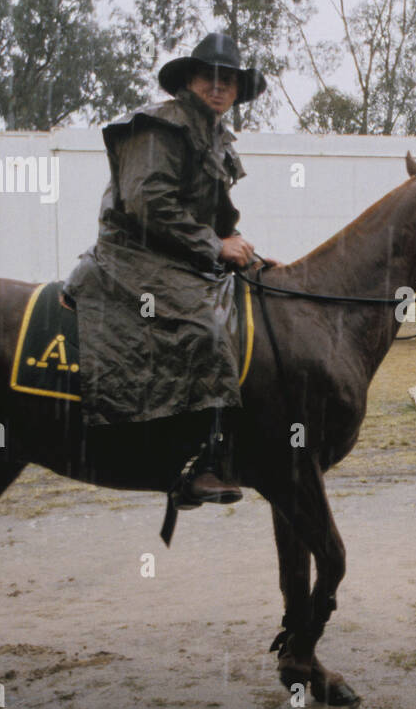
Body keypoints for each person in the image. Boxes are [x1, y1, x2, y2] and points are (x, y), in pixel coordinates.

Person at [63, 32, 271, 506]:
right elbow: (147, 202)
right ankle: (198, 465)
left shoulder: (216, 138)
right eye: (209, 77)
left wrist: (249, 256)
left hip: (176, 254)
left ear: (237, 90)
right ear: (189, 81)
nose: (219, 87)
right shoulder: (160, 126)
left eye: (229, 80)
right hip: (132, 254)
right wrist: (215, 247)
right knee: (205, 327)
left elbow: (215, 218)